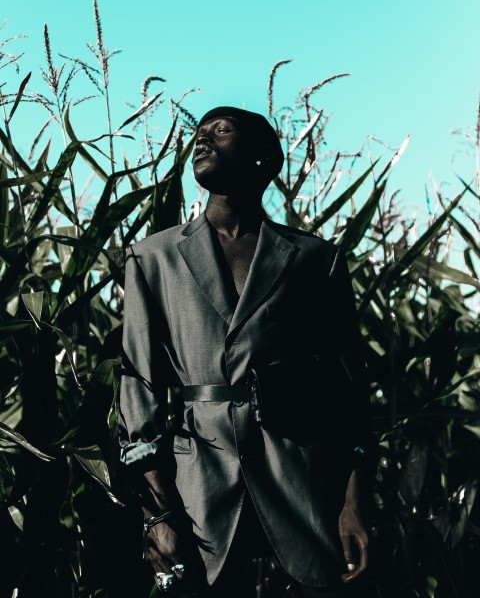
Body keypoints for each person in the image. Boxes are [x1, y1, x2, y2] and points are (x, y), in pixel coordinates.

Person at [119, 106, 376, 597]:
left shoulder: (315, 260)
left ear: (264, 158)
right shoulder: (153, 258)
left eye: (222, 129)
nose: (203, 139)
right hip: (198, 489)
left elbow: (349, 395)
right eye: (198, 133)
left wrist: (354, 501)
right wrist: (157, 515)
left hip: (301, 487)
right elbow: (139, 390)